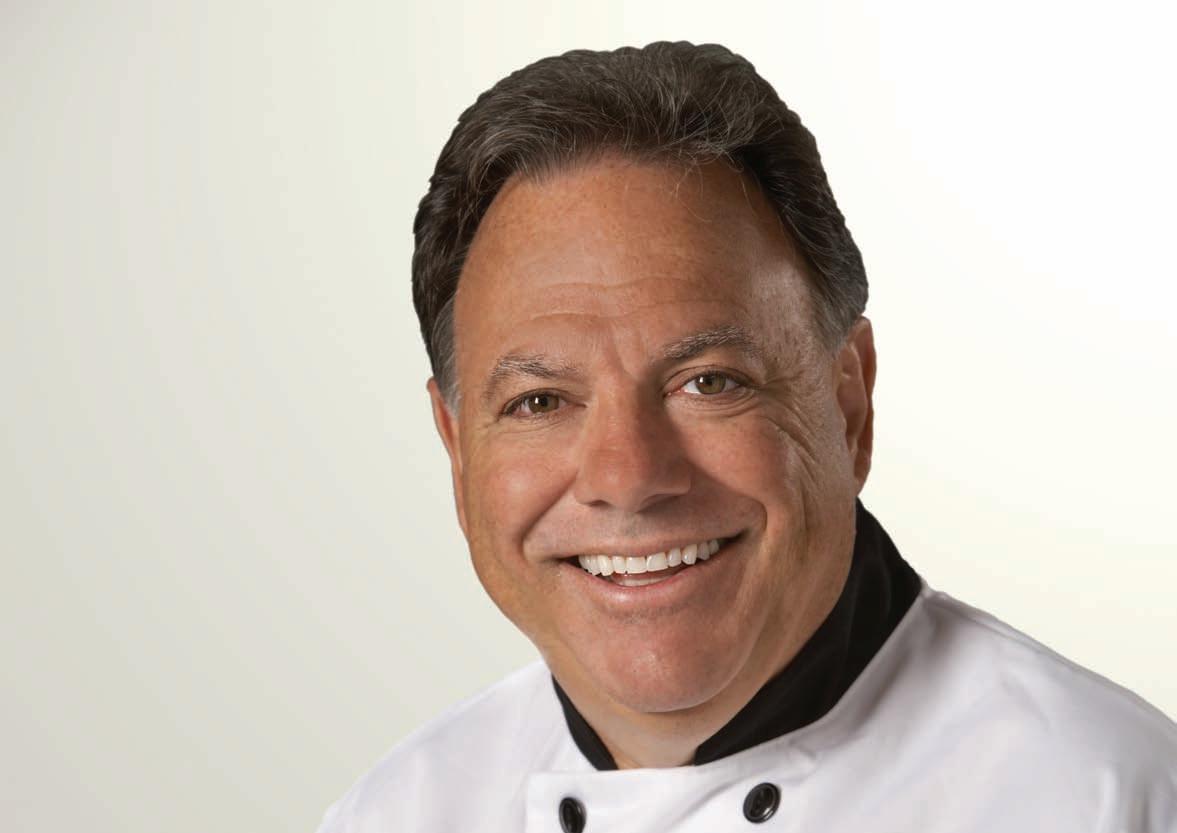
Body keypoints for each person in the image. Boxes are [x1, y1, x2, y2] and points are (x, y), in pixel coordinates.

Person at [316, 41, 1176, 832]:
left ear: (847, 404)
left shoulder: (1108, 798)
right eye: (540, 402)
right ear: (456, 447)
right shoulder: (398, 814)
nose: (627, 476)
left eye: (707, 382)